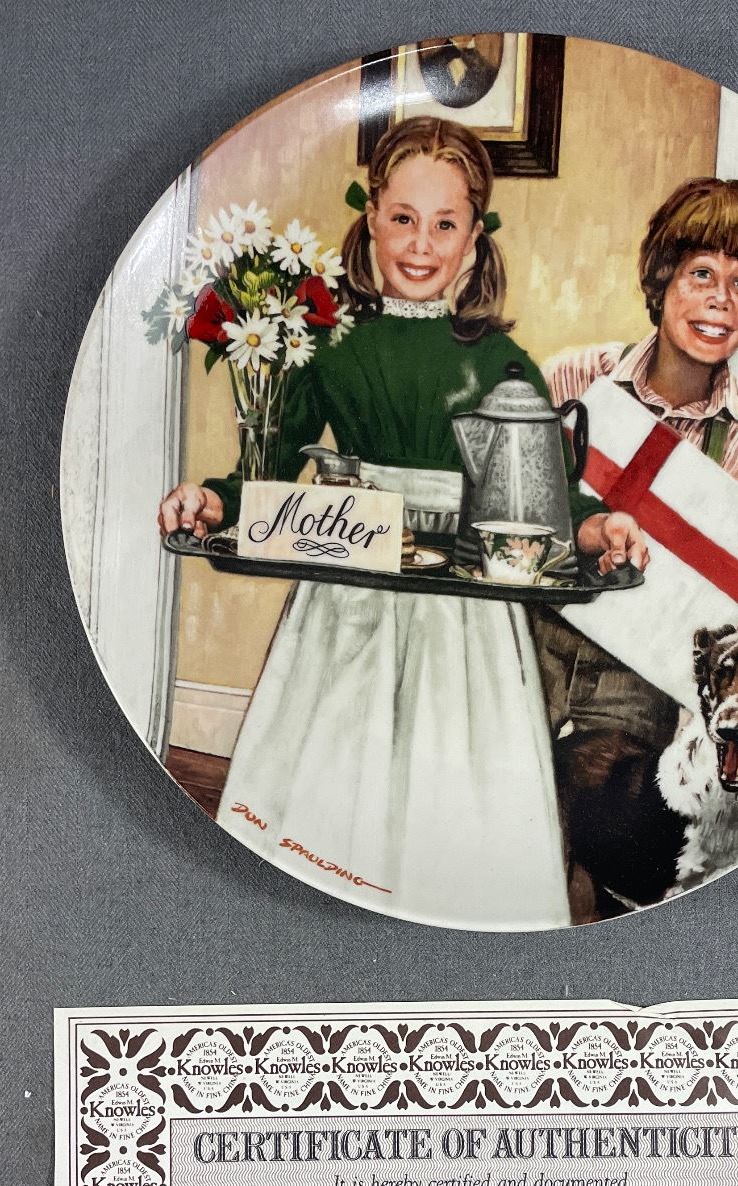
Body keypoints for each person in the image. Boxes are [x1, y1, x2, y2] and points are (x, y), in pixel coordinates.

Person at [157, 118, 641, 929]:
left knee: (455, 801)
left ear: (475, 237)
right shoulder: (328, 348)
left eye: (445, 225)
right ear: (371, 217)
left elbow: (552, 502)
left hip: (466, 626)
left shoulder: (501, 364)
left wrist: (600, 531)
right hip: (346, 607)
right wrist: (211, 502)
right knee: (332, 795)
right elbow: (262, 480)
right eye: (404, 219)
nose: (421, 245)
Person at [537, 176, 738, 921]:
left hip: (638, 671)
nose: (720, 301)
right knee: (505, 801)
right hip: (537, 630)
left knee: (592, 832)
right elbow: (516, 508)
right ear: (662, 278)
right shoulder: (576, 377)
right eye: (701, 274)